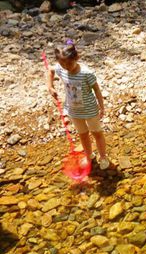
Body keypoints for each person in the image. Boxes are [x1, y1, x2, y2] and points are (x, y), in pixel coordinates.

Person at [45, 40, 110, 170]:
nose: (66, 66)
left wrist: (101, 107)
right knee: (83, 134)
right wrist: (50, 87)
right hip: (73, 111)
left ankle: (103, 156)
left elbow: (96, 89)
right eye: (62, 63)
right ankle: (89, 155)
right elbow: (50, 70)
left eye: (69, 63)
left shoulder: (86, 73)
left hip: (90, 110)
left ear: (77, 58)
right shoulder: (61, 68)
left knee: (97, 133)